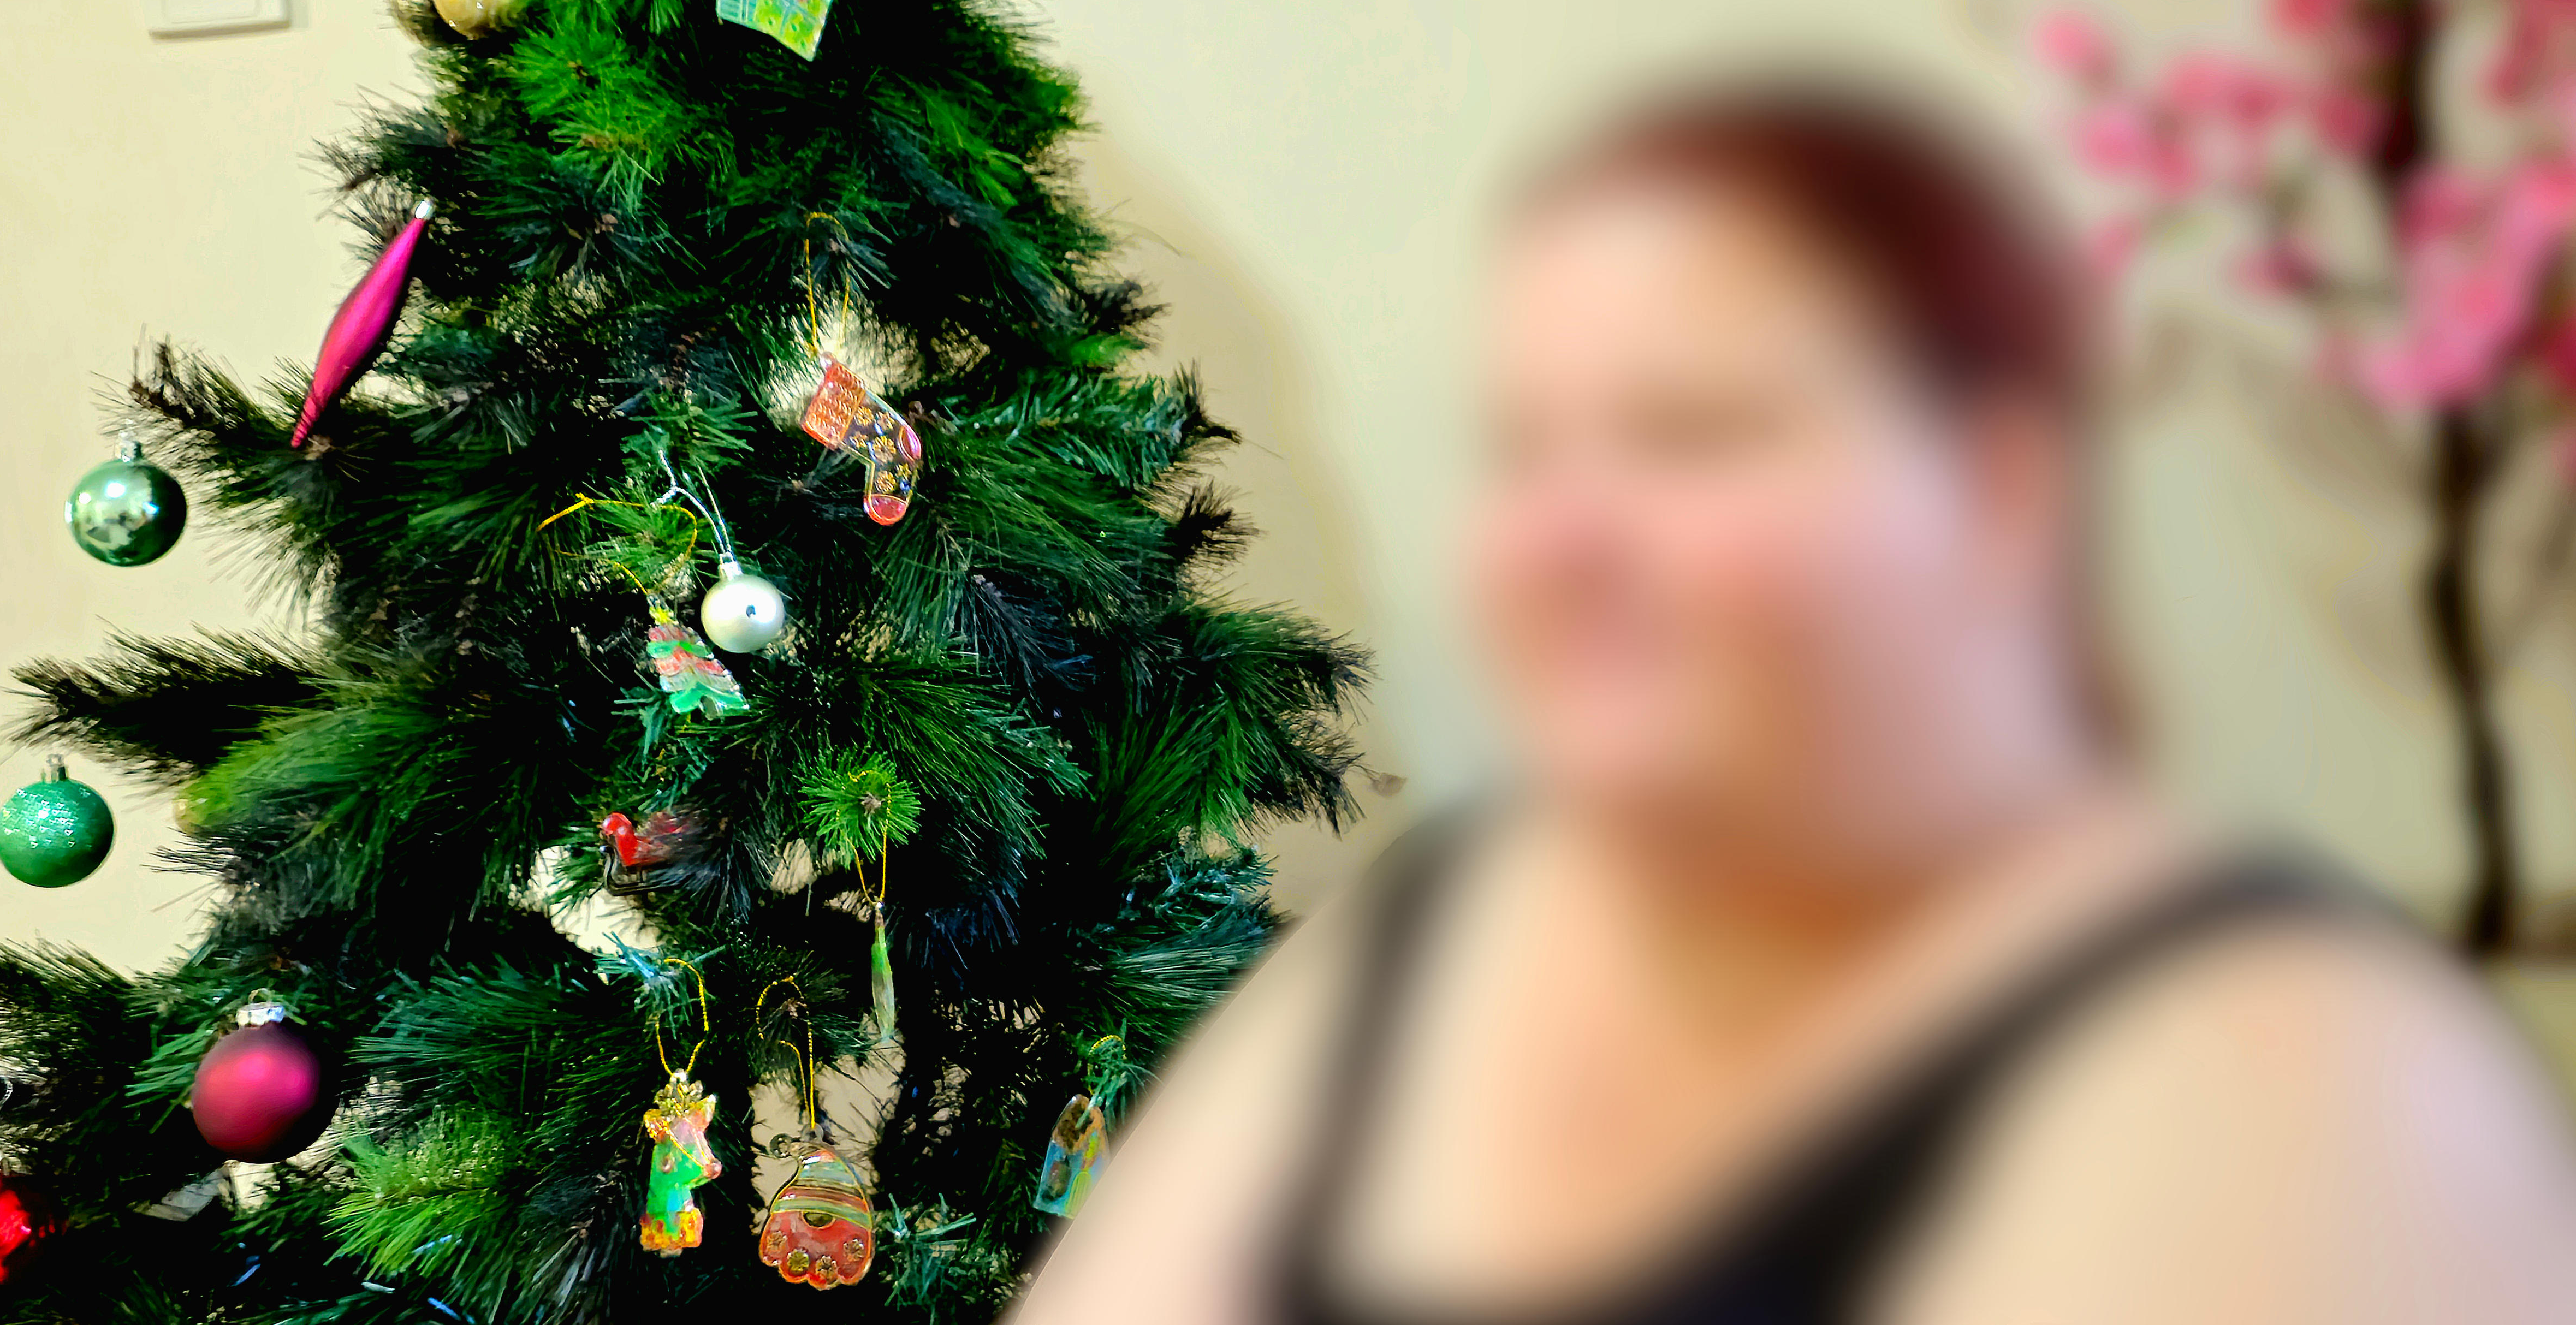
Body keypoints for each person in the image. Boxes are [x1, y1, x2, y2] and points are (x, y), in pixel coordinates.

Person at [1018, 77, 2576, 1325]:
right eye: (1536, 445)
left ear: (1996, 492)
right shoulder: (1422, 931)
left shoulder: (2296, 1058)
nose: (1568, 536)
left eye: (1703, 433)